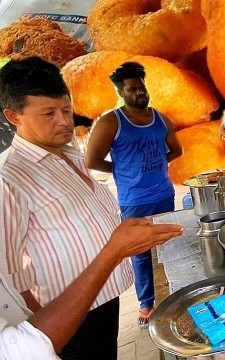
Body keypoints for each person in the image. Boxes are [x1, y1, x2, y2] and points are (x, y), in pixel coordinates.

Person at [1, 56, 129, 359]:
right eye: (48, 113)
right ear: (13, 115)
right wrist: (43, 328)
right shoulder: (9, 178)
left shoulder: (69, 153)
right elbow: (7, 269)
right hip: (65, 316)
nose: (64, 121)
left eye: (66, 109)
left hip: (102, 296)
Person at [84, 62, 182, 328]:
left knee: (168, 245)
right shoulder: (111, 122)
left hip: (163, 194)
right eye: (133, 89)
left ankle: (174, 294)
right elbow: (91, 160)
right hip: (134, 200)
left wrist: (160, 163)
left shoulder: (161, 119)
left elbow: (176, 150)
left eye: (142, 87)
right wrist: (121, 170)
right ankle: (146, 303)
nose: (140, 92)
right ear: (121, 92)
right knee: (140, 253)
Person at [0, 218, 184, 360]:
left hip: (100, 294)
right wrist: (114, 252)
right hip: (61, 315)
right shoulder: (11, 177)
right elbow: (24, 351)